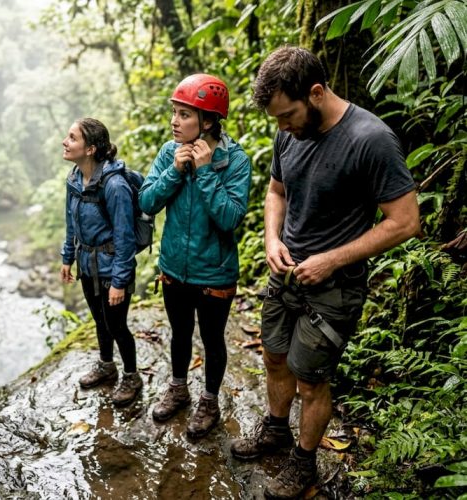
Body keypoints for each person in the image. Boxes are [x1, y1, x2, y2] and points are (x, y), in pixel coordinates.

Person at [229, 46, 420, 499]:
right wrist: (271, 239)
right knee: (274, 356)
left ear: (316, 93)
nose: (282, 127)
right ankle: (275, 430)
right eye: (276, 118)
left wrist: (333, 258)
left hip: (335, 286)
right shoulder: (288, 134)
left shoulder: (370, 139)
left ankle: (304, 462)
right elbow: (276, 192)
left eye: (288, 114)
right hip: (286, 273)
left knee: (311, 378)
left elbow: (406, 220)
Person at [139, 74, 252, 438]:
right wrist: (175, 171)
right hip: (174, 266)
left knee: (213, 337)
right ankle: (177, 387)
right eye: (174, 112)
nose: (174, 121)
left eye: (184, 115)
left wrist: (204, 172)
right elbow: (146, 202)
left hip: (214, 272)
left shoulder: (234, 161)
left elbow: (230, 218)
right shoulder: (168, 153)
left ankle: (209, 400)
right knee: (180, 333)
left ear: (207, 121)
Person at [60, 118, 143, 406]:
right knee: (99, 320)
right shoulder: (73, 179)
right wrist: (67, 257)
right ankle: (107, 366)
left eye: (72, 138)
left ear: (91, 148)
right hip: (87, 264)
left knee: (117, 324)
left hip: (112, 268)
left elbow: (125, 237)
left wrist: (120, 281)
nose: (65, 142)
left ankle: (132, 376)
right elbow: (71, 222)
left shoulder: (115, 185)